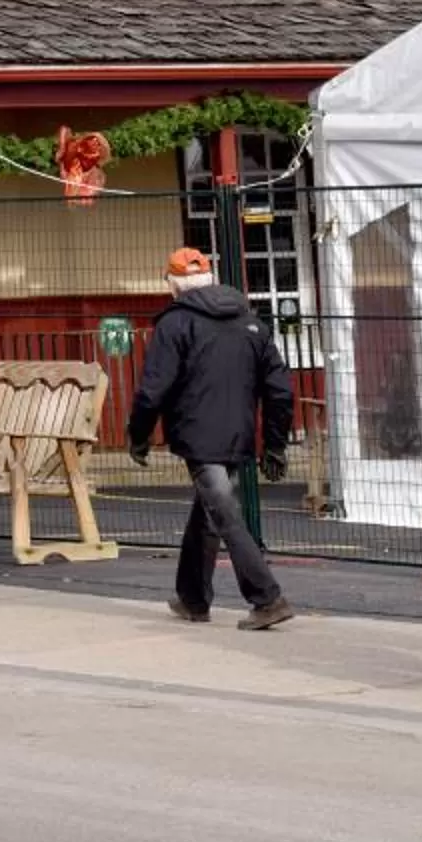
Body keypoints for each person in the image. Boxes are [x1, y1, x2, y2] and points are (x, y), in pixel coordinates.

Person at [128, 246, 296, 630]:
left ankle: (268, 598)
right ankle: (193, 599)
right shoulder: (251, 323)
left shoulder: (176, 324)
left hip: (198, 435)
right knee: (208, 511)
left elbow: (153, 389)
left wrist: (137, 435)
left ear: (173, 283)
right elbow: (280, 390)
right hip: (239, 433)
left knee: (222, 512)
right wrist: (274, 442)